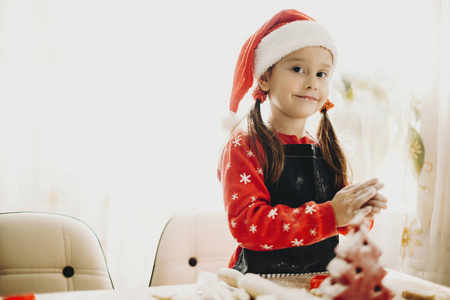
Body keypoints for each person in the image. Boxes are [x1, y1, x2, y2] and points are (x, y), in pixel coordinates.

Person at [217, 9, 388, 276]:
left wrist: (357, 210)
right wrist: (332, 214)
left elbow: (343, 225)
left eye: (322, 74)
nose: (312, 83)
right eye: (298, 69)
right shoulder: (244, 145)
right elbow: (247, 225)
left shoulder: (325, 148)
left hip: (318, 283)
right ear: (264, 77)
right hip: (258, 284)